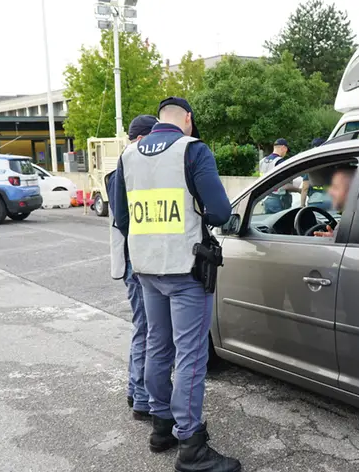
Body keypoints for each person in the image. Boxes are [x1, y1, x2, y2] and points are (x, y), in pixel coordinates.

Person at [112, 97, 241, 472]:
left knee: (157, 346)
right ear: (187, 119)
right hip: (185, 271)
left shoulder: (129, 155)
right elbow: (219, 212)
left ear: (158, 121)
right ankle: (192, 447)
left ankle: (161, 426)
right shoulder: (192, 150)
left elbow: (121, 217)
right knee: (190, 356)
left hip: (147, 269)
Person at [106, 114, 159, 421]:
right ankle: (141, 397)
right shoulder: (127, 172)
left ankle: (134, 389)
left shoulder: (122, 171)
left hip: (133, 261)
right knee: (148, 330)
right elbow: (128, 222)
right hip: (136, 262)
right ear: (141, 139)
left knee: (144, 328)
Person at [259, 139, 299, 214]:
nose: (285, 153)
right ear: (283, 148)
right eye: (286, 150)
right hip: (279, 200)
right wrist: (300, 190)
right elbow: (286, 185)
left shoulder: (262, 161)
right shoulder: (280, 162)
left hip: (266, 199)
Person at [313, 167, 356, 238]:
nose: (330, 192)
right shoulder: (354, 219)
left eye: (336, 187)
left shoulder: (353, 223)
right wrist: (333, 236)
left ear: (351, 191)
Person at [300, 138, 330, 210]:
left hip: (316, 201)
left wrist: (302, 205)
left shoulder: (312, 165)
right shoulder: (331, 161)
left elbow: (305, 188)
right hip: (331, 199)